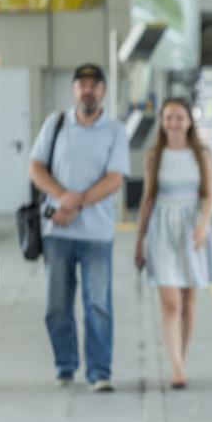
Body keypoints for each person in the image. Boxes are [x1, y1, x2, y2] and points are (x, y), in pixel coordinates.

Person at [28, 63, 130, 392]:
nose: (88, 90)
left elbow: (115, 178)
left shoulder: (115, 130)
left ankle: (100, 372)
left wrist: (76, 202)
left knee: (98, 304)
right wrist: (60, 197)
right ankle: (65, 366)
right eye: (82, 84)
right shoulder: (55, 124)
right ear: (74, 90)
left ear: (103, 91)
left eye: (94, 85)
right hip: (57, 233)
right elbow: (35, 166)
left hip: (97, 234)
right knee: (57, 305)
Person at [134, 98, 212, 389]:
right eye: (168, 117)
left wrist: (203, 225)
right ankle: (177, 368)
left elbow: (209, 194)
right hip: (161, 229)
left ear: (189, 121)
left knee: (189, 302)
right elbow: (147, 199)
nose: (173, 123)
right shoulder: (154, 155)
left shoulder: (202, 154)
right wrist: (139, 240)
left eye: (179, 117)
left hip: (192, 229)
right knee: (171, 303)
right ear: (162, 122)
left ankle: (180, 360)